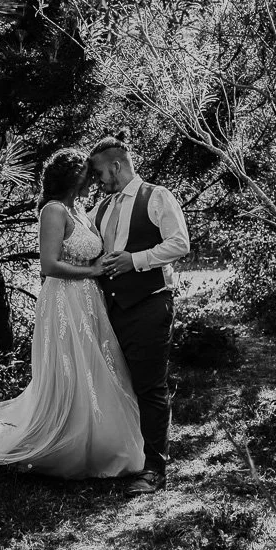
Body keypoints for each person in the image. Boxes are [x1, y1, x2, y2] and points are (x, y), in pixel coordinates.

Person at [0, 148, 144, 479]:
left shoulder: (80, 211)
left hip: (89, 301)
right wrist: (94, 271)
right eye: (89, 175)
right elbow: (49, 265)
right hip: (64, 301)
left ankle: (104, 436)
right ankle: (70, 439)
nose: (93, 181)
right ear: (75, 178)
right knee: (73, 370)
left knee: (97, 366)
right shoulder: (53, 211)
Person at [88, 129, 190, 495]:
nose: (98, 183)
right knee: (119, 386)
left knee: (150, 387)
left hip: (149, 302)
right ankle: (128, 456)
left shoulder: (157, 196)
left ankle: (155, 470)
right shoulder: (100, 209)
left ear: (116, 166)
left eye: (100, 174)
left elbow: (180, 243)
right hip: (109, 308)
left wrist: (136, 260)